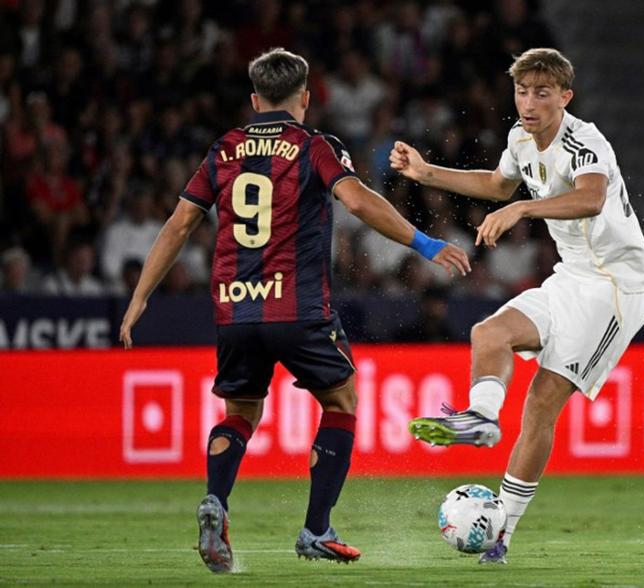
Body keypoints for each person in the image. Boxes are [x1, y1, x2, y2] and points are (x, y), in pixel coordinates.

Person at [119, 47, 470, 573]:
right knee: (342, 401)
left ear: (254, 99)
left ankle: (216, 499)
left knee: (240, 413)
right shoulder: (313, 145)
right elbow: (357, 201)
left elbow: (179, 225)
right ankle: (317, 528)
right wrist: (425, 243)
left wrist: (140, 296)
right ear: (305, 98)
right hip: (297, 307)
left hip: (234, 310)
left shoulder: (224, 149)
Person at [390, 48, 644, 564]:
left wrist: (523, 208)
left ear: (565, 97)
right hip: (572, 275)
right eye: (521, 91)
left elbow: (591, 198)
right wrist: (425, 173)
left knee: (540, 405)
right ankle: (481, 418)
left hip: (616, 288)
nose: (528, 103)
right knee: (488, 333)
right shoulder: (519, 137)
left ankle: (502, 533)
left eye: (541, 93)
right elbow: (496, 184)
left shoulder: (585, 142)